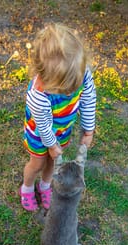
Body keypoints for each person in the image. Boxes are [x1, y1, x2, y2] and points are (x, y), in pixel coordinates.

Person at [20, 23, 96, 211]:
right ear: (45, 77)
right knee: (37, 163)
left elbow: (88, 99)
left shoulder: (80, 72)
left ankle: (45, 186)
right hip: (39, 133)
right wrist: (51, 145)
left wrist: (88, 128)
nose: (70, 90)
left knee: (53, 162)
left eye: (73, 85)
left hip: (62, 129)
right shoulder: (39, 95)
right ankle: (27, 187)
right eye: (64, 88)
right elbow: (44, 126)